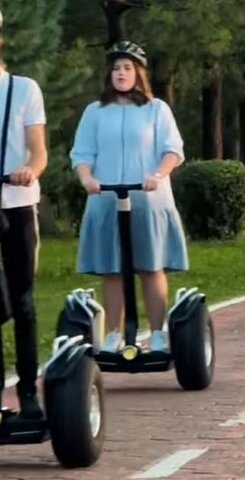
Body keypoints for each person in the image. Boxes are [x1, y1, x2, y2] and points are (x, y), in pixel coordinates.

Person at [70, 41, 188, 353]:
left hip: (148, 200)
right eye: (115, 68)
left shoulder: (156, 109)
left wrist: (158, 175)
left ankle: (159, 333)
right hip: (106, 200)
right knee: (112, 269)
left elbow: (173, 150)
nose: (120, 73)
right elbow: (82, 153)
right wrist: (88, 179)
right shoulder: (95, 112)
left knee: (151, 267)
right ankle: (113, 333)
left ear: (138, 73)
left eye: (127, 68)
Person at [0, 8, 48, 419]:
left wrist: (30, 168)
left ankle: (28, 392)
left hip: (16, 204)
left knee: (24, 301)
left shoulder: (23, 89)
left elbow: (39, 149)